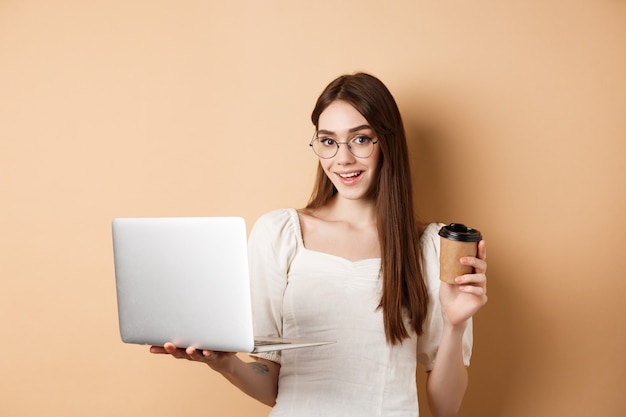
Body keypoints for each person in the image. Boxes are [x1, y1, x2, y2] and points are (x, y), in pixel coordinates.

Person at [150, 72, 488, 417]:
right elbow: (272, 384)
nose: (342, 159)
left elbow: (445, 408)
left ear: (387, 143)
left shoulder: (430, 247)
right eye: (328, 141)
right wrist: (227, 365)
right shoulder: (279, 233)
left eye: (360, 139)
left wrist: (455, 323)